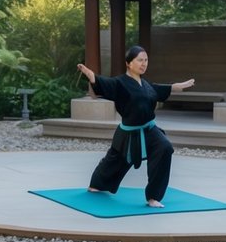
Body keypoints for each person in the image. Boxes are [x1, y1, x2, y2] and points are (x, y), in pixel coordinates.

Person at [76, 46, 195, 207]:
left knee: (165, 147)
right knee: (115, 160)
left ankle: (153, 197)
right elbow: (105, 84)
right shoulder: (120, 83)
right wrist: (91, 76)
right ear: (128, 63)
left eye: (146, 60)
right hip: (128, 133)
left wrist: (178, 85)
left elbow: (159, 89)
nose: (143, 64)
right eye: (140, 60)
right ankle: (97, 184)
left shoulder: (145, 84)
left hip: (150, 129)